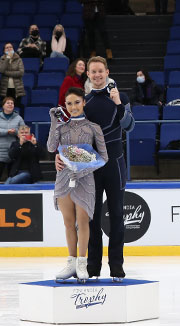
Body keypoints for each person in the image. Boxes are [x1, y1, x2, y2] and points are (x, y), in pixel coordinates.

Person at [56, 57, 135, 281]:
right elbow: (72, 133)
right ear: (88, 75)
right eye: (93, 72)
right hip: (90, 166)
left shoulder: (121, 97)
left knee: (118, 215)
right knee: (91, 218)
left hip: (115, 164)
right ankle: (92, 266)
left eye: (101, 71)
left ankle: (117, 266)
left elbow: (129, 126)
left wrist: (118, 103)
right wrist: (59, 156)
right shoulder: (85, 101)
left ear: (107, 72)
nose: (97, 75)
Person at [49, 87, 108, 283]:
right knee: (68, 223)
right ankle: (71, 262)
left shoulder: (93, 128)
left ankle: (82, 263)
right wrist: (54, 121)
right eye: (69, 104)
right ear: (64, 106)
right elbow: (50, 147)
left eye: (76, 102)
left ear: (83, 102)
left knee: (82, 222)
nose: (73, 107)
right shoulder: (61, 127)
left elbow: (104, 157)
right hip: (64, 178)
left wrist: (82, 169)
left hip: (85, 179)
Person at [0, 97, 26, 180]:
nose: (10, 104)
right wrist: (6, 131)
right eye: (8, 103)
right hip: (0, 152)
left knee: (12, 179)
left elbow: (24, 131)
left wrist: (15, 132)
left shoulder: (18, 118)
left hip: (13, 151)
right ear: (3, 106)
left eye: (12, 103)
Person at [0, 43, 26, 112]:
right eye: (7, 48)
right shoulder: (2, 59)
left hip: (16, 88)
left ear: (13, 49)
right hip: (5, 88)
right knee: (5, 108)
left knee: (16, 107)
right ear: (4, 50)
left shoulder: (18, 59)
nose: (9, 49)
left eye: (10, 47)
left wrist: (7, 73)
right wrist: (7, 58)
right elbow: (2, 70)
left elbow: (21, 72)